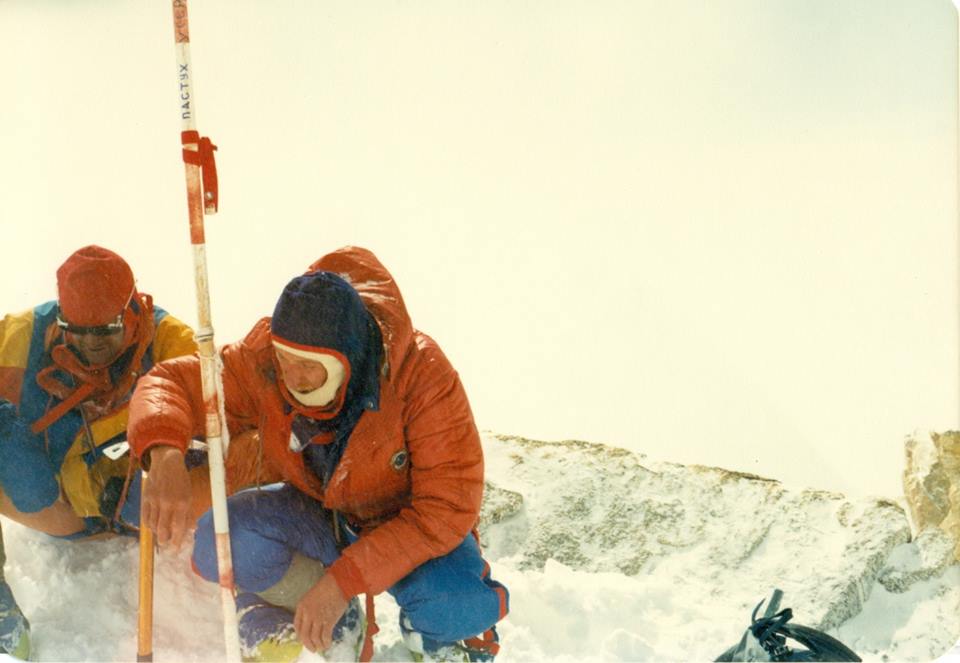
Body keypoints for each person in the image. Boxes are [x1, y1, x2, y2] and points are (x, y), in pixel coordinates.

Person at [129, 246, 510, 663]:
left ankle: (441, 641)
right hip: (322, 516)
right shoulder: (263, 363)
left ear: (347, 357)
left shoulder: (421, 376)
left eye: (310, 365)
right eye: (284, 359)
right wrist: (163, 452)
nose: (292, 376)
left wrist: (344, 580)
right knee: (220, 542)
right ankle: (333, 620)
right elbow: (170, 383)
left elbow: (447, 508)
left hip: (405, 529)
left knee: (456, 604)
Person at [0, 245, 269, 659]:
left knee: (262, 451)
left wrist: (168, 454)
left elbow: (234, 408)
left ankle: (270, 594)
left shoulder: (169, 340)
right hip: (57, 505)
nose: (91, 345)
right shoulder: (19, 336)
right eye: (78, 331)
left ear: (131, 311)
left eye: (105, 331)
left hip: (150, 506)